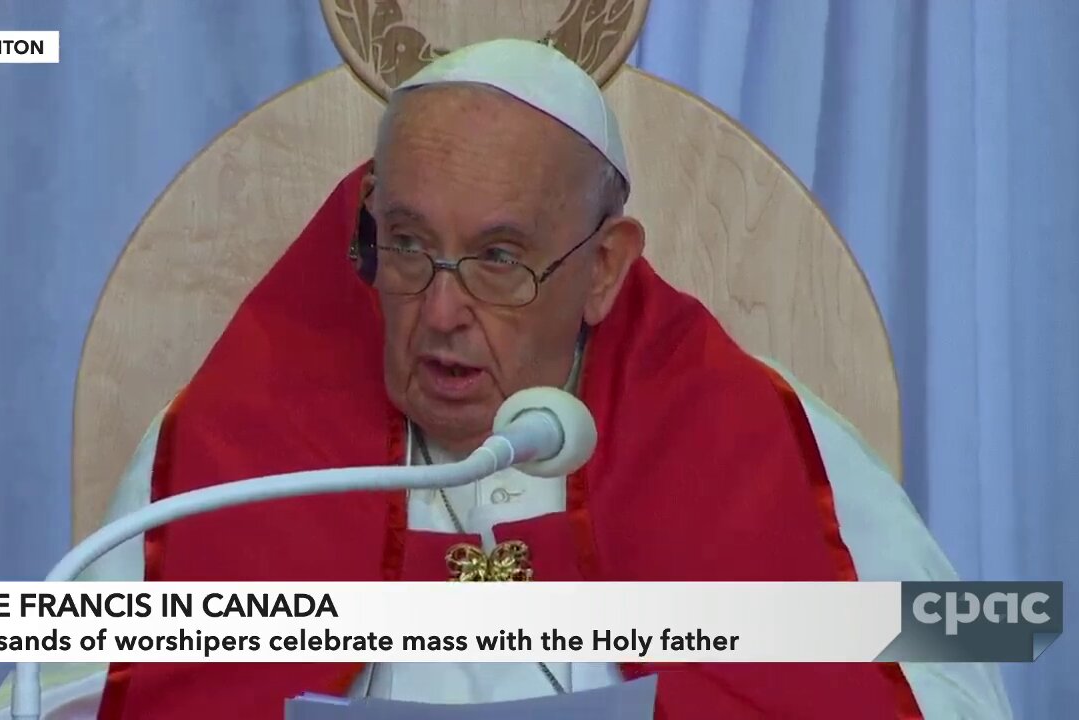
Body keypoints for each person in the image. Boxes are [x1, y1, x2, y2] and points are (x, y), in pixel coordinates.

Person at [59, 39, 1011, 719]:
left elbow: (955, 682)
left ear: (603, 268)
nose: (440, 311)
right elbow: (53, 697)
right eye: (408, 247)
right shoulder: (237, 452)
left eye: (499, 259)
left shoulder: (757, 437)